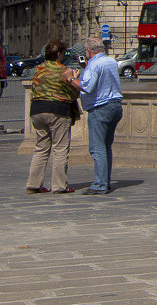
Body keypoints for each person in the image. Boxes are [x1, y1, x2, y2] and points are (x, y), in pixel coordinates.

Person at [25, 39, 80, 194]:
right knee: (60, 149)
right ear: (58, 54)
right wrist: (74, 78)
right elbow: (73, 93)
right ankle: (59, 186)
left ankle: (33, 184)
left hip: (37, 110)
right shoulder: (64, 70)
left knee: (40, 148)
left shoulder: (38, 69)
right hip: (57, 110)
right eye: (62, 53)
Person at [74, 37, 124, 195]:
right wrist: (86, 67)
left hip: (100, 107)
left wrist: (71, 79)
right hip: (115, 106)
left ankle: (100, 184)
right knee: (106, 146)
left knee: (97, 148)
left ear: (89, 51)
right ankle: (105, 181)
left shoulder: (94, 64)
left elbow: (87, 86)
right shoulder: (110, 61)